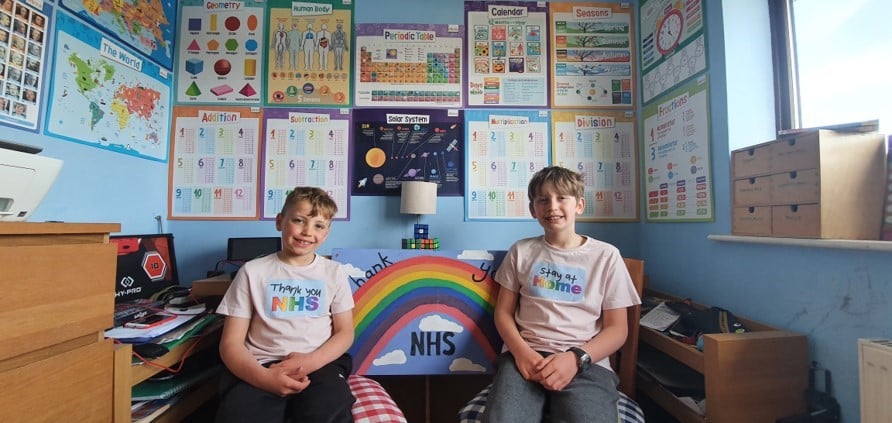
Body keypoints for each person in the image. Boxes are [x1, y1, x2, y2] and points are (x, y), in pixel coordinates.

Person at [481, 166, 641, 423]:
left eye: (561, 198)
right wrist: (521, 352)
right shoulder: (521, 251)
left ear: (579, 205)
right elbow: (503, 313)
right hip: (526, 358)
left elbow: (617, 329)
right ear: (533, 209)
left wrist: (576, 359)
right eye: (542, 200)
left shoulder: (606, 256)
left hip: (587, 362)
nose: (551, 206)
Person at [215, 187, 356, 423]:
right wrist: (265, 379)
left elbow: (345, 333)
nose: (307, 232)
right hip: (262, 365)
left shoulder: (334, 273)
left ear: (327, 232)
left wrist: (310, 362)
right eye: (299, 221)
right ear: (280, 221)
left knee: (328, 408)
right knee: (237, 413)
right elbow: (230, 344)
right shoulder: (252, 272)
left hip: (319, 364)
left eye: (318, 226)